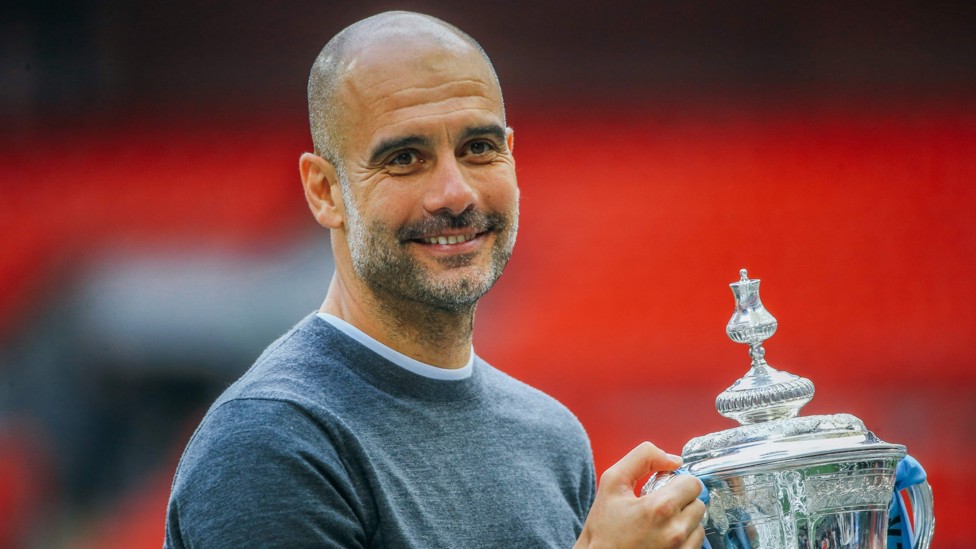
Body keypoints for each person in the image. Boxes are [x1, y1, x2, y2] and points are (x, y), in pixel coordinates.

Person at [164, 10, 705, 549]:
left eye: (478, 149)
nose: (455, 193)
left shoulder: (550, 437)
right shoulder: (272, 441)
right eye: (405, 158)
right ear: (325, 191)